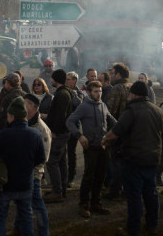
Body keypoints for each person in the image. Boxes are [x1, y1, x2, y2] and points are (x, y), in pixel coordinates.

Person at [102, 81, 163, 236]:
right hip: (153, 159)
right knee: (151, 194)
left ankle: (133, 230)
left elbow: (117, 131)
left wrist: (104, 139)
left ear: (133, 94)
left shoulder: (131, 110)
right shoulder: (158, 110)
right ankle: (152, 225)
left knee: (134, 196)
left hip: (134, 160)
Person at [0, 96, 46, 236]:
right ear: (24, 116)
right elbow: (40, 159)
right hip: (25, 184)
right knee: (26, 218)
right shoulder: (35, 134)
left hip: (5, 184)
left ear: (11, 116)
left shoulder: (3, 135)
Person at [66, 80, 116, 218]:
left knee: (100, 176)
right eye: (95, 91)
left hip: (103, 147)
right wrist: (79, 136)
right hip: (91, 148)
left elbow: (113, 122)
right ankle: (83, 205)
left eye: (100, 91)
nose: (99, 94)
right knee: (89, 176)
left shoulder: (103, 105)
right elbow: (69, 121)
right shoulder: (84, 106)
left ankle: (96, 203)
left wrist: (117, 133)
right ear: (88, 92)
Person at [19, 94, 51, 236]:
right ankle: (17, 229)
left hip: (33, 175)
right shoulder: (24, 123)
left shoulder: (42, 129)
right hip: (21, 173)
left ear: (32, 106)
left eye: (24, 104)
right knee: (21, 202)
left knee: (37, 205)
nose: (21, 106)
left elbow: (43, 157)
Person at [104, 63, 133, 200]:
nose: (110, 76)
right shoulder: (132, 87)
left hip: (118, 131)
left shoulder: (117, 89)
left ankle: (115, 191)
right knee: (128, 163)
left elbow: (109, 112)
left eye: (112, 73)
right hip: (132, 133)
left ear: (118, 75)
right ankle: (127, 190)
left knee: (116, 162)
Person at [44, 69, 72, 203]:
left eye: (52, 78)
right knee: (61, 161)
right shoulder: (64, 93)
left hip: (59, 133)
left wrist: (54, 131)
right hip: (63, 132)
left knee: (52, 162)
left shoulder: (62, 94)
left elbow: (60, 116)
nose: (50, 80)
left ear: (56, 79)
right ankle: (61, 188)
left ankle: (57, 191)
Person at [66, 71, 85, 187]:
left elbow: (79, 104)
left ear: (74, 81)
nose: (67, 81)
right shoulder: (62, 91)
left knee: (71, 152)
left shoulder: (78, 93)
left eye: (69, 79)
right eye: (66, 79)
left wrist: (72, 93)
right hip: (62, 126)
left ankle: (71, 177)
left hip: (73, 127)